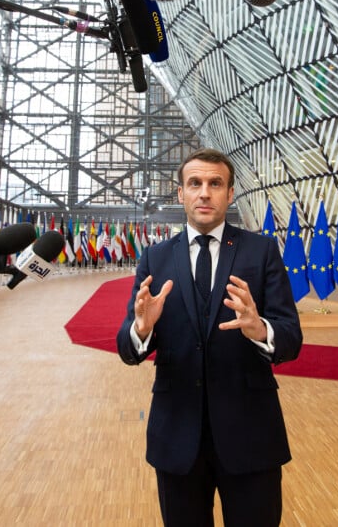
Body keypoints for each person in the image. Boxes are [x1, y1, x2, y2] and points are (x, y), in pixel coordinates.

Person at [116, 148, 303, 527]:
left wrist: (259, 328)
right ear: (180, 193)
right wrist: (142, 328)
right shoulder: (155, 258)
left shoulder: (262, 251)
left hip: (251, 436)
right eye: (195, 184)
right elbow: (127, 349)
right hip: (177, 439)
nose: (205, 193)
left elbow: (291, 338)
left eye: (215, 184)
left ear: (230, 193)